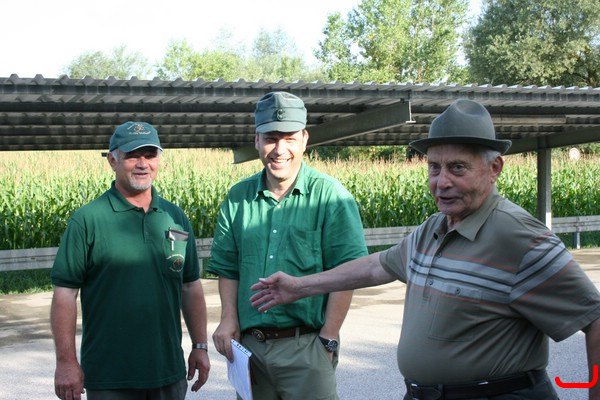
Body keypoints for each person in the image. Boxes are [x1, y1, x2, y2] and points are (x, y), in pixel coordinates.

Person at [250, 99, 600, 400]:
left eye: (457, 168)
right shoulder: (434, 228)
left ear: (494, 168)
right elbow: (376, 266)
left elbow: (594, 319)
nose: (442, 181)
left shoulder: (519, 238)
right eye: (434, 167)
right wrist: (300, 287)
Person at [208, 91, 368, 399]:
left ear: (305, 139)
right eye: (271, 138)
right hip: (251, 349)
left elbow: (348, 271)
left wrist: (329, 337)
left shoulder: (331, 197)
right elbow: (228, 267)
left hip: (306, 346)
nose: (280, 150)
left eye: (290, 138)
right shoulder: (238, 198)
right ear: (257, 140)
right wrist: (228, 318)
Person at [50, 121, 210, 400]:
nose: (143, 164)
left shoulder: (175, 217)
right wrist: (66, 362)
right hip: (110, 377)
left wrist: (200, 346)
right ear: (113, 161)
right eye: (132, 156)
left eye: (150, 155)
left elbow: (190, 285)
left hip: (168, 372)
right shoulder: (88, 220)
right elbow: (65, 293)